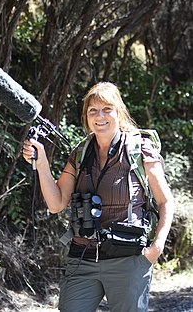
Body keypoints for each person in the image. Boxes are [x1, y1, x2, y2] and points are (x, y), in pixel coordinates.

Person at [23, 82, 174, 312]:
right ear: (86, 117)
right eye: (93, 110)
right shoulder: (81, 153)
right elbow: (56, 204)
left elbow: (165, 201)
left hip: (128, 259)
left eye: (107, 109)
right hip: (82, 257)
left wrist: (156, 248)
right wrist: (42, 164)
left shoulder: (140, 150)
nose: (99, 116)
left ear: (118, 112)